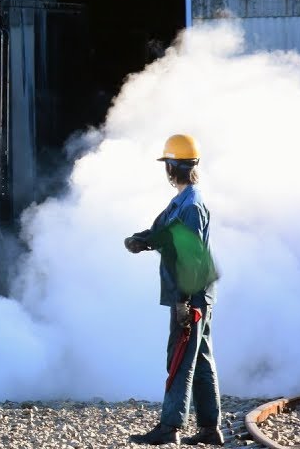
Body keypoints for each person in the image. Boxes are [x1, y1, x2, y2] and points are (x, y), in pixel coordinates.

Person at [124, 134, 223, 446]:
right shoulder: (183, 200)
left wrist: (182, 300)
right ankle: (210, 428)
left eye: (166, 164)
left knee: (180, 357)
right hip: (198, 293)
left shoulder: (191, 205)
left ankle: (170, 427)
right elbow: (167, 233)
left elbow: (190, 259)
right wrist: (143, 239)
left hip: (191, 293)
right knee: (201, 357)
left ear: (172, 167)